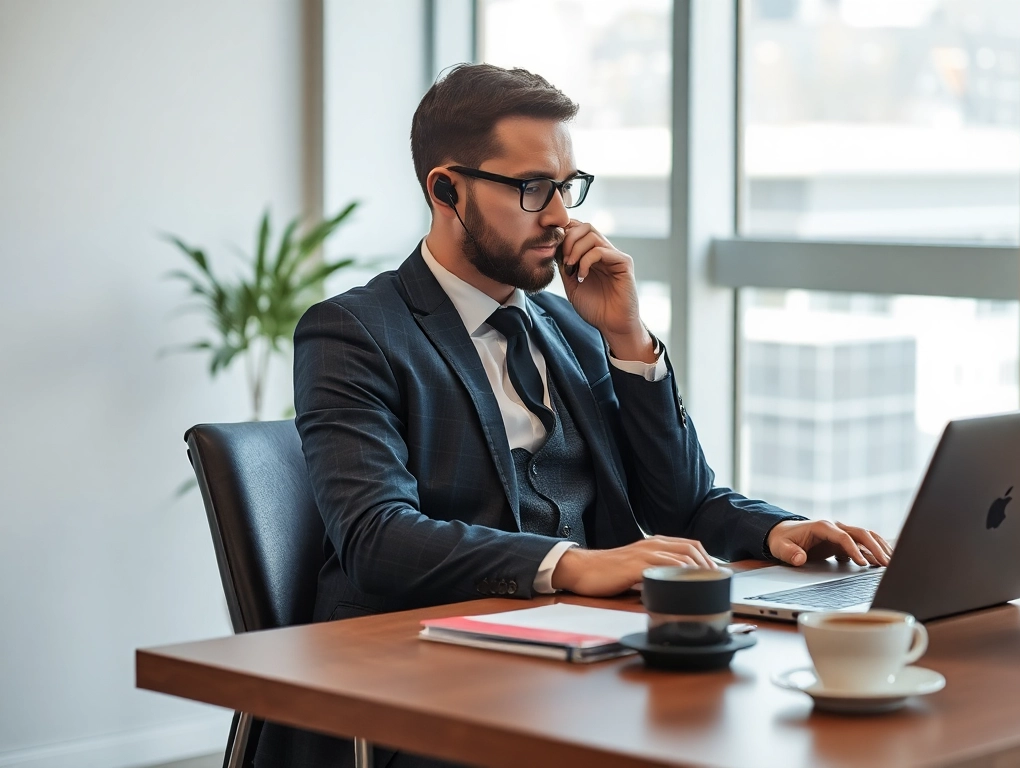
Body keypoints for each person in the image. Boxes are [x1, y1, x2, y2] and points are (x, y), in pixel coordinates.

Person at [257, 63, 892, 768]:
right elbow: (377, 538)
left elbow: (679, 500)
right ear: (445, 189)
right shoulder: (355, 331)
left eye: (566, 186)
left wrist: (630, 343)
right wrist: (570, 565)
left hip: (587, 660)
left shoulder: (570, 325)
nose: (560, 215)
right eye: (532, 189)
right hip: (427, 681)